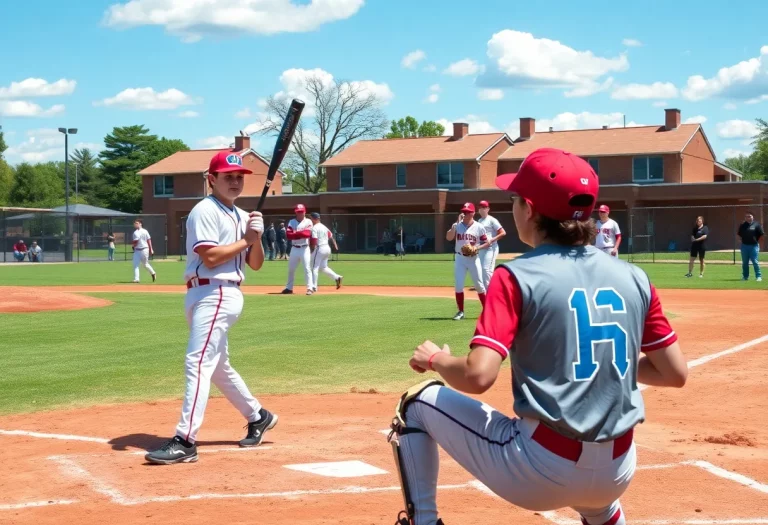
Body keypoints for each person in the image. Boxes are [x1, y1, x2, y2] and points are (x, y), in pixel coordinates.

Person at [385, 147, 688, 525]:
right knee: (601, 505)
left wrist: (436, 359)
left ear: (529, 208)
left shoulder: (516, 276)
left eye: (514, 199)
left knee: (417, 402)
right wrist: (608, 361)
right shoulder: (635, 277)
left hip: (540, 468)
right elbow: (675, 374)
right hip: (618, 469)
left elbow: (478, 377)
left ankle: (424, 522)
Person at [145, 150, 278, 465]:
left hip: (219, 293)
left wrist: (255, 238)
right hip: (203, 293)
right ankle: (258, 415)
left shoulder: (245, 217)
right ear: (212, 179)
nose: (234, 181)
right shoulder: (204, 210)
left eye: (239, 177)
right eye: (228, 176)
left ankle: (185, 440)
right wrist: (247, 239)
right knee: (217, 366)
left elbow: (255, 265)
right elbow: (210, 255)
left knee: (197, 362)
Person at [446, 202, 488, 321]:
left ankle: (487, 311)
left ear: (473, 213)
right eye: (463, 212)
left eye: (467, 212)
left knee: (479, 285)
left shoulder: (479, 226)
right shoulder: (457, 225)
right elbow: (449, 237)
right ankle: (460, 311)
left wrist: (476, 248)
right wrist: (455, 226)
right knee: (459, 285)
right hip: (460, 258)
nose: (464, 214)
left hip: (473, 259)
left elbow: (487, 242)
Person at [282, 204, 314, 295]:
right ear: (296, 212)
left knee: (307, 268)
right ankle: (289, 288)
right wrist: (300, 233)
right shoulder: (292, 222)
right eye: (298, 212)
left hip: (304, 248)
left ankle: (310, 288)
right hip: (294, 248)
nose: (300, 214)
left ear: (304, 212)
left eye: (301, 212)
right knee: (291, 269)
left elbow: (307, 234)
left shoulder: (308, 221)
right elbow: (289, 235)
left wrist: (295, 233)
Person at [476, 200, 506, 291]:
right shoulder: (479, 221)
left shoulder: (492, 220)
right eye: (481, 208)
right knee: (481, 270)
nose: (482, 209)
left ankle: (492, 292)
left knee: (486, 270)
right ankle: (494, 289)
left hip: (491, 248)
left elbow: (503, 233)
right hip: (482, 248)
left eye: (484, 207)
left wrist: (492, 240)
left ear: (488, 209)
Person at [309, 212, 343, 292]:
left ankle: (314, 286)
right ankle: (337, 277)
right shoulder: (324, 227)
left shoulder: (315, 228)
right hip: (327, 248)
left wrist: (312, 250)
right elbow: (331, 236)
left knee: (314, 267)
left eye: (311, 218)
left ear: (313, 219)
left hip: (319, 248)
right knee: (323, 267)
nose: (311, 220)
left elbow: (314, 240)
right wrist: (335, 245)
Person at [737, 211, 763, 282]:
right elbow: (738, 234)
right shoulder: (742, 225)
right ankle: (745, 276)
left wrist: (758, 243)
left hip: (754, 246)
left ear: (752, 217)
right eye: (746, 216)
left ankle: (758, 276)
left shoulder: (757, 225)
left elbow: (761, 235)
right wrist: (740, 241)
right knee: (745, 262)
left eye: (749, 216)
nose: (748, 218)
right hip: (744, 246)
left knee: (755, 261)